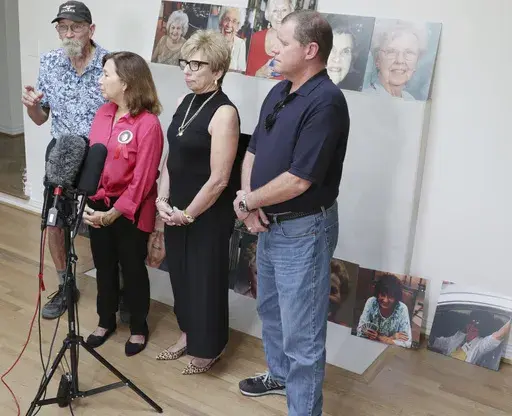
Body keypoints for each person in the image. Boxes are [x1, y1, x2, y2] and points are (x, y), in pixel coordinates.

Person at [235, 10, 350, 416]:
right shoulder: (280, 90)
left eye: (283, 43)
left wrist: (249, 202)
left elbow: (300, 180)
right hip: (268, 223)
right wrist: (248, 200)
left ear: (310, 50)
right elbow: (253, 149)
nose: (274, 48)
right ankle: (279, 376)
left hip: (303, 231)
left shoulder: (326, 102)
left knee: (303, 335)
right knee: (270, 310)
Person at [20, 1, 115, 320]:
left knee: (103, 224)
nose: (69, 33)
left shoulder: (110, 64)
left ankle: (115, 289)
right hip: (62, 150)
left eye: (75, 27)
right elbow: (40, 118)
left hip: (99, 153)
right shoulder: (49, 62)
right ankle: (66, 285)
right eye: (63, 27)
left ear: (91, 29)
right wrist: (32, 106)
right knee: (54, 222)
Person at [155, 30, 241, 374]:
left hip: (206, 213)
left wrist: (187, 215)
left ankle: (210, 347)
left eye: (196, 65)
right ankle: (188, 334)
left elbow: (219, 179)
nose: (187, 71)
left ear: (217, 70)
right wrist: (162, 198)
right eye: (185, 63)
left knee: (205, 279)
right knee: (180, 275)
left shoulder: (224, 113)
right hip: (175, 208)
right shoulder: (183, 101)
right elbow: (171, 157)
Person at [82, 51, 164, 357]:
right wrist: (89, 201)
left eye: (106, 74)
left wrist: (115, 213)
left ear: (126, 82)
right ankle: (105, 321)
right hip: (99, 202)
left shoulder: (148, 124)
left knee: (132, 269)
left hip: (131, 209)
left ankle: (139, 327)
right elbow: (93, 160)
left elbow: (143, 180)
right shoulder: (103, 113)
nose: (100, 80)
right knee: (103, 266)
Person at [363, 19, 427, 100]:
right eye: (391, 52)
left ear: (416, 61)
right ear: (377, 59)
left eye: (409, 52)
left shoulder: (410, 99)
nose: (400, 60)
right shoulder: (366, 98)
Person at [430, 311, 511, 366]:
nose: (472, 326)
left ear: (481, 329)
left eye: (476, 326)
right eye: (471, 323)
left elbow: (498, 335)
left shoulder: (480, 345)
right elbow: (441, 343)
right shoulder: (459, 336)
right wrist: (430, 337)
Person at [356, 274, 412, 348]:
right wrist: (392, 338)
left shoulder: (402, 309)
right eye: (382, 294)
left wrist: (379, 338)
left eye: (390, 296)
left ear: (396, 297)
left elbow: (407, 343)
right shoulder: (371, 302)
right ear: (378, 293)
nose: (385, 300)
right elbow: (360, 331)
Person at [246, 0, 293, 79]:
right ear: (268, 14)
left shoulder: (299, 39)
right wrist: (258, 74)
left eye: (284, 10)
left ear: (291, 12)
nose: (279, 16)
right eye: (275, 11)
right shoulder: (256, 38)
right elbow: (247, 75)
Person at [218, 7, 246, 72]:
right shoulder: (211, 41)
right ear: (221, 21)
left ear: (238, 26)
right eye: (226, 19)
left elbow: (241, 71)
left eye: (234, 21)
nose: (229, 25)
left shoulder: (241, 44)